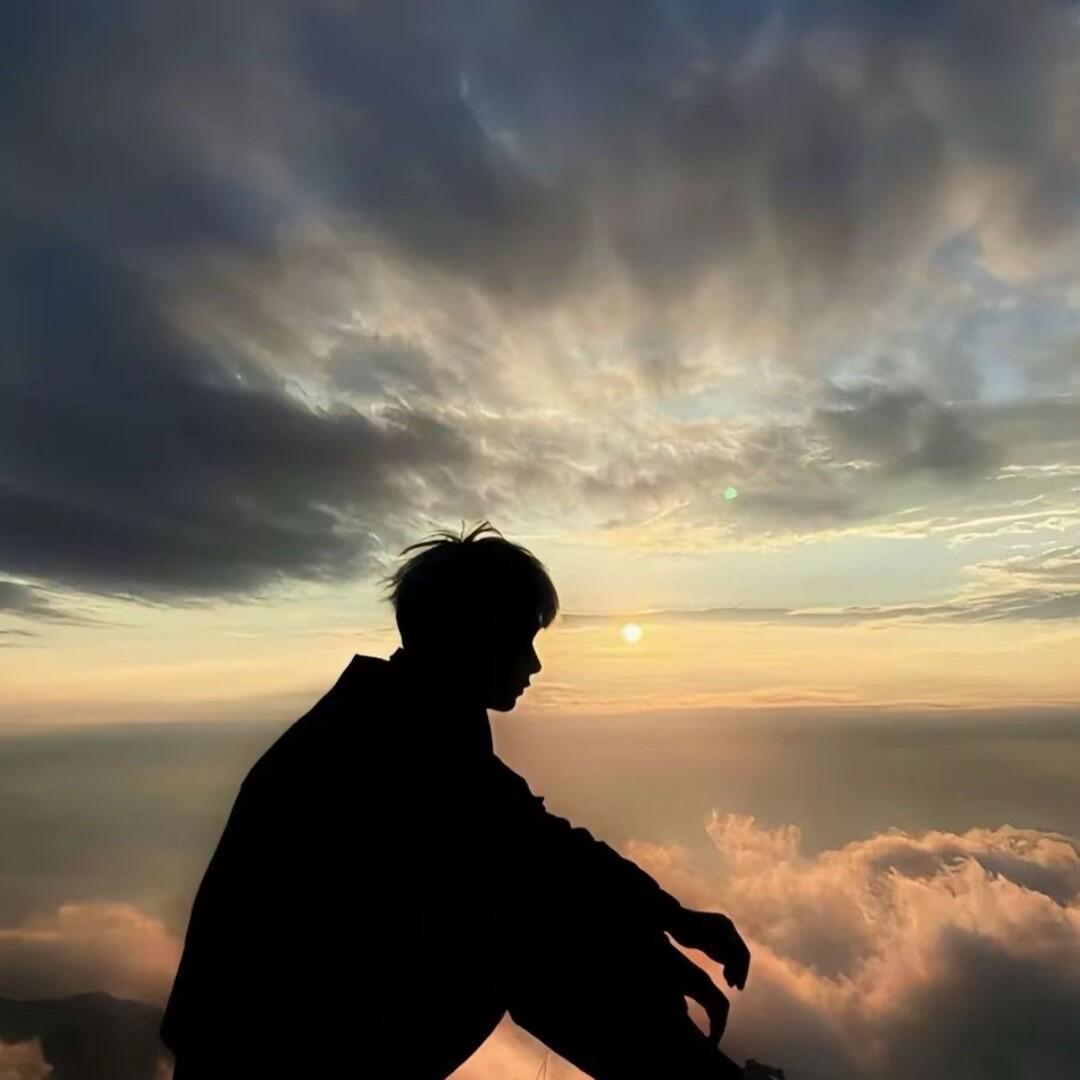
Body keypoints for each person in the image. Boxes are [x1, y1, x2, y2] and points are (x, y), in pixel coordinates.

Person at [161, 521, 764, 1078]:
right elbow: (529, 870)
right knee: (537, 939)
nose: (534, 664)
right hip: (270, 1052)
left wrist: (665, 922)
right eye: (521, 639)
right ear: (470, 641)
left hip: (289, 1036)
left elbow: (538, 842)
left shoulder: (397, 716)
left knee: (554, 924)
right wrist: (653, 940)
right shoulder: (382, 741)